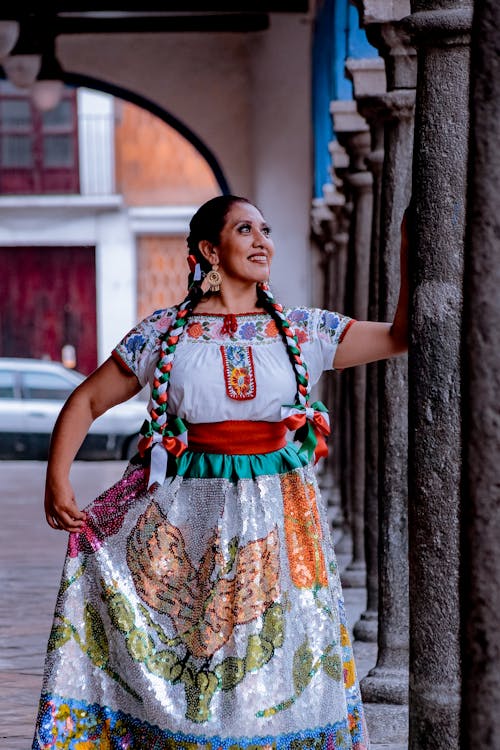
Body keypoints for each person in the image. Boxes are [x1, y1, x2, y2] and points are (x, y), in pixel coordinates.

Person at [33, 195, 408, 750]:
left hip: (279, 521)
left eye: (266, 229)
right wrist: (57, 479)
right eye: (244, 229)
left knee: (271, 667)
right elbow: (87, 401)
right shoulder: (164, 333)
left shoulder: (303, 330)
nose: (262, 241)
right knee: (196, 664)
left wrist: (408, 252)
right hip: (188, 520)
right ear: (210, 250)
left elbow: (400, 337)